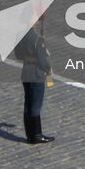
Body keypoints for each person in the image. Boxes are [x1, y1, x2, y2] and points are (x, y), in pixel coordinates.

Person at [15, 14, 54, 145]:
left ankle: (29, 135)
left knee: (28, 104)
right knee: (36, 105)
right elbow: (43, 62)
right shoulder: (37, 39)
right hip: (36, 74)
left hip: (26, 72)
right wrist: (48, 69)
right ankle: (37, 135)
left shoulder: (20, 35)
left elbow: (18, 55)